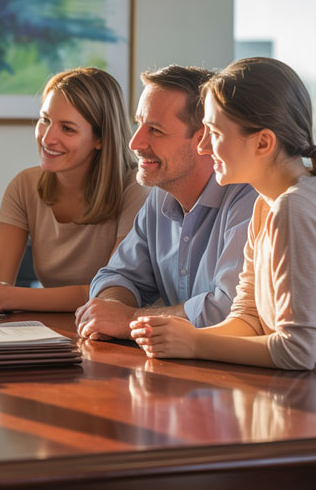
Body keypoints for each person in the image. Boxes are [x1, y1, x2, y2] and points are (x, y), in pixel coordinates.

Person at [130, 57, 316, 387]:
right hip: (306, 395)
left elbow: (297, 350)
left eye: (214, 132)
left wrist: (195, 343)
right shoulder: (267, 206)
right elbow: (248, 318)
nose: (204, 147)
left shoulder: (295, 209)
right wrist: (184, 336)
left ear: (263, 142)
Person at [76, 65, 258, 340]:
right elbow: (116, 276)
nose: (134, 143)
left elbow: (230, 311)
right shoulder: (160, 196)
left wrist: (130, 320)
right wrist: (111, 308)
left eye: (156, 130)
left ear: (204, 139)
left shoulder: (251, 200)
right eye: (139, 124)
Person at [0, 67, 149, 313]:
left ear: (100, 138)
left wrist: (8, 297)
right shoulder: (24, 186)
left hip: (121, 333)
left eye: (67, 128)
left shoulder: (135, 189)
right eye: (45, 120)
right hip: (58, 330)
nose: (47, 138)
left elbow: (112, 292)